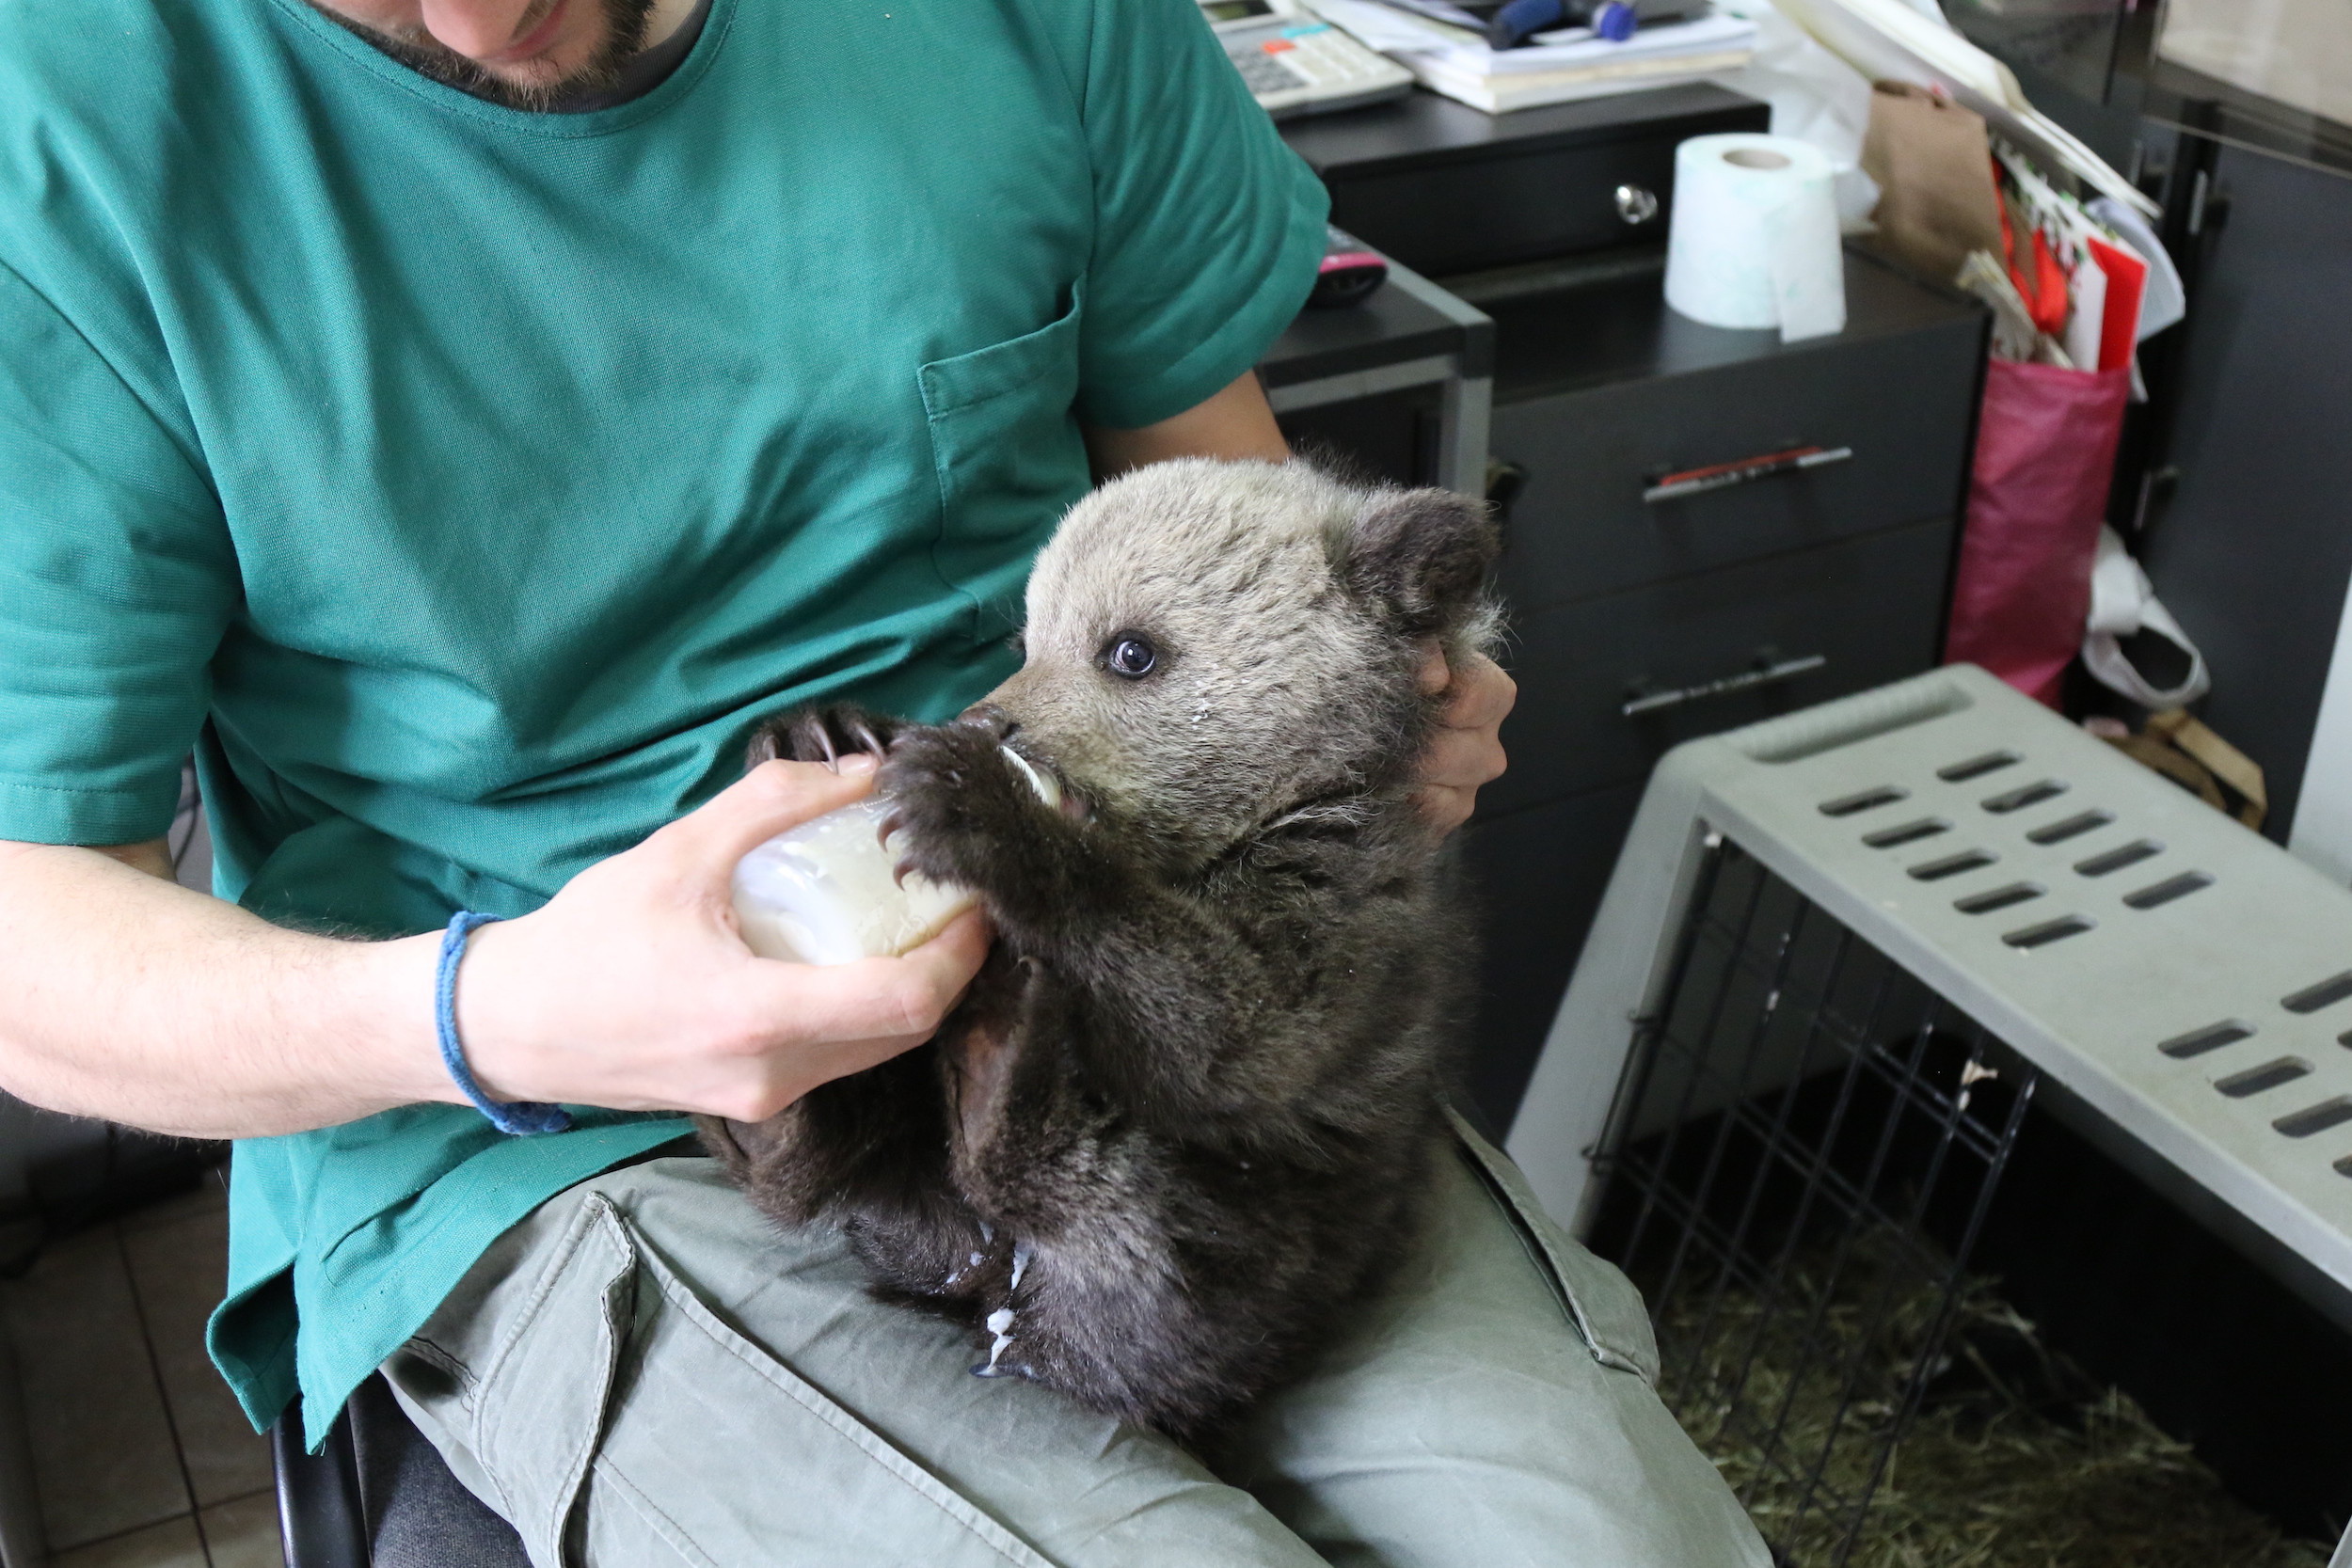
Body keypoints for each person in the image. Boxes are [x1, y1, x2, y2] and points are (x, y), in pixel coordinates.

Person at [0, 0, 1771, 1560]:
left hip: (1123, 972)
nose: (477, 30)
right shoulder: (58, 133)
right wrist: (498, 1013)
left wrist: (1379, 713)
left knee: (1598, 1535)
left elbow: (1234, 537)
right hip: (541, 1107)